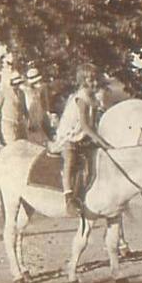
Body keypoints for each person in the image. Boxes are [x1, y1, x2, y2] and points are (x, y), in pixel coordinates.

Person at [49, 63, 111, 216]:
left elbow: (93, 125)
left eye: (96, 79)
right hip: (69, 137)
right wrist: (103, 142)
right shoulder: (81, 98)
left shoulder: (94, 99)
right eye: (90, 80)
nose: (94, 83)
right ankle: (68, 196)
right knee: (70, 158)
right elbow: (84, 125)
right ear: (82, 81)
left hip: (82, 137)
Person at [0, 72, 27, 148]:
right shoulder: (4, 92)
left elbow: (24, 108)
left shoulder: (21, 93)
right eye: (15, 84)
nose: (16, 86)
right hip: (8, 123)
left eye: (18, 84)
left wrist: (27, 119)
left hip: (19, 124)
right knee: (12, 146)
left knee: (21, 146)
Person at [22, 67, 51, 145]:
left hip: (40, 113)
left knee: (41, 134)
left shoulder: (43, 87)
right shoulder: (28, 89)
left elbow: (46, 101)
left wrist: (48, 112)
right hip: (32, 113)